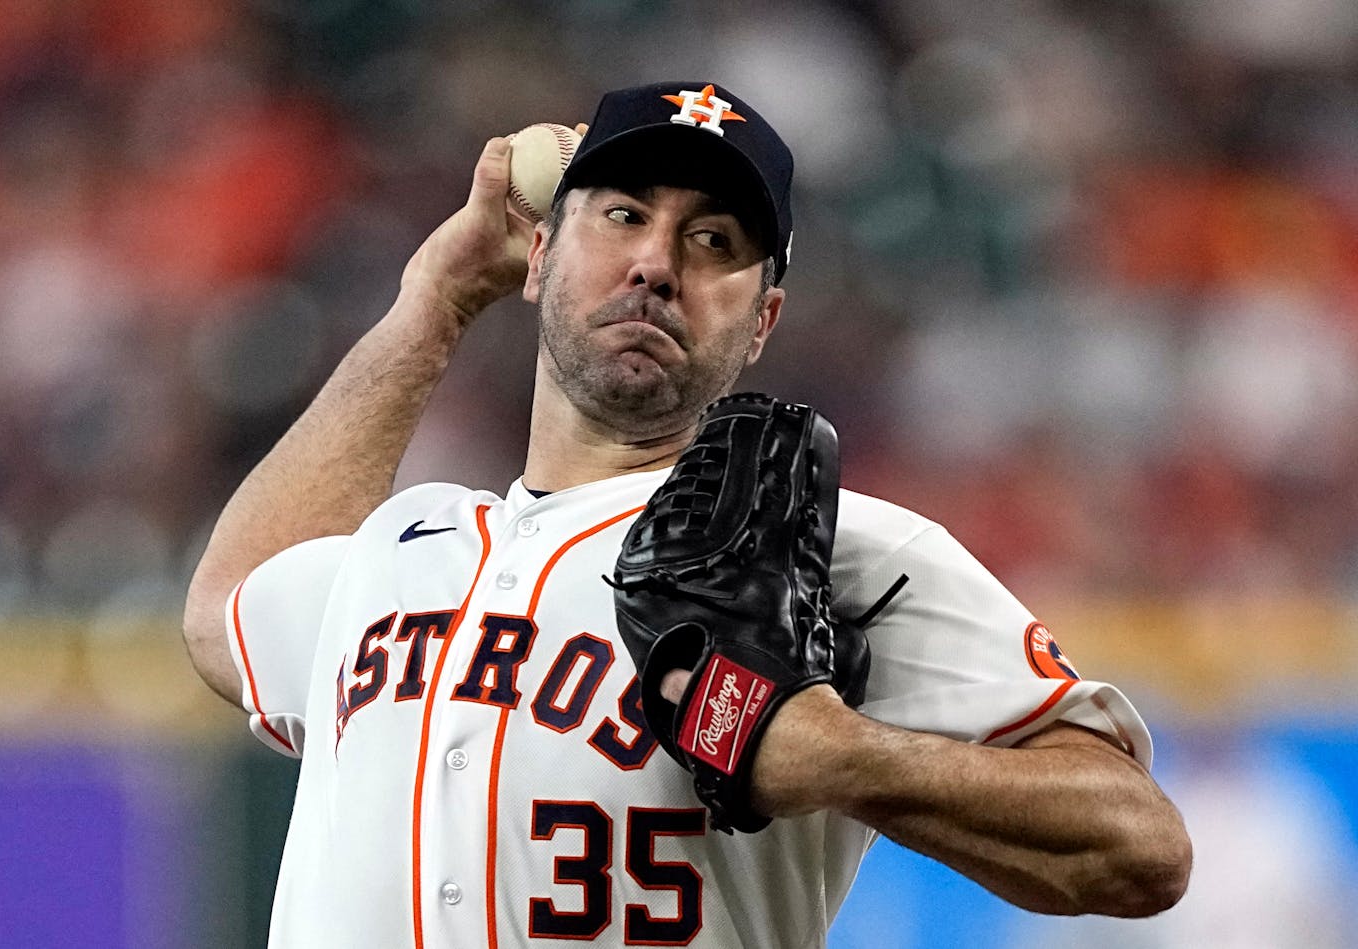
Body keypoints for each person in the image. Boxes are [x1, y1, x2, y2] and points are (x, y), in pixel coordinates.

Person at [182, 81, 1191, 948]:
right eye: (622, 214)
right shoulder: (406, 543)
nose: (656, 263)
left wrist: (844, 758)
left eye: (712, 240)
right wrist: (432, 302)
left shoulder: (829, 544)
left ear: (762, 321)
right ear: (537, 258)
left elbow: (1137, 845)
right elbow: (227, 612)